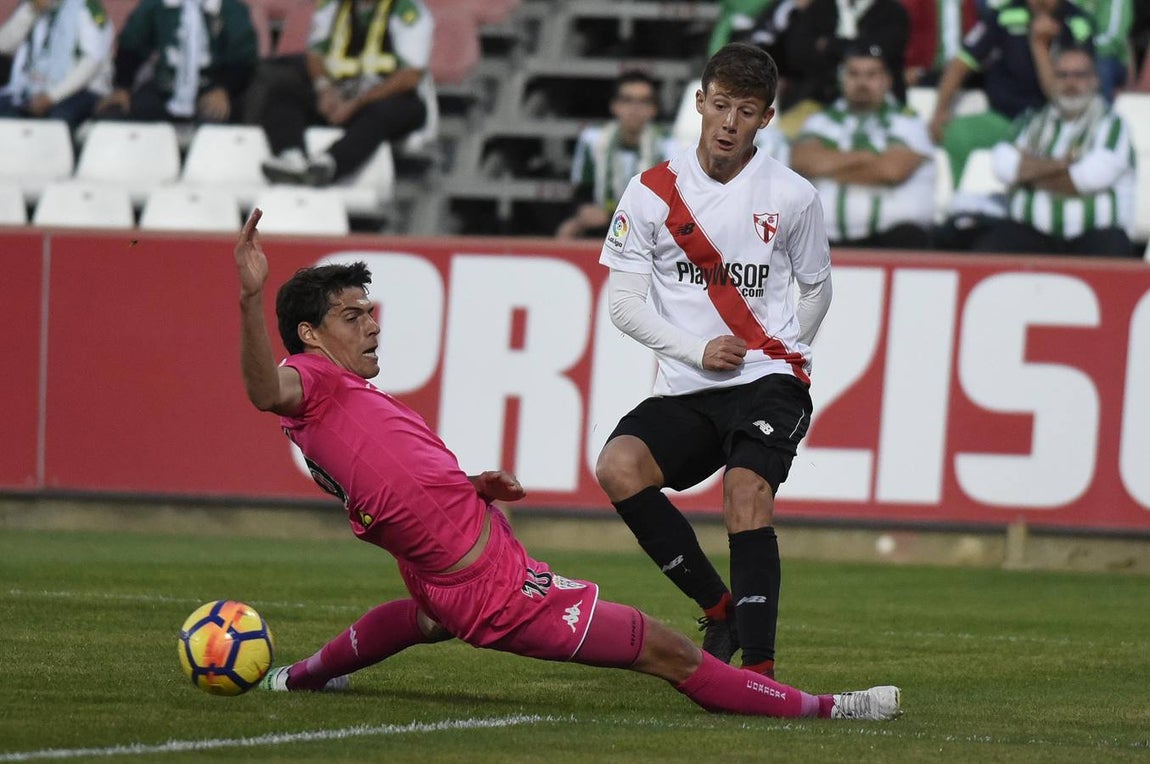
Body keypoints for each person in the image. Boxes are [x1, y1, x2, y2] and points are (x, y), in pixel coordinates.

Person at [231, 209, 902, 722]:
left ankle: (304, 676)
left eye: (370, 312)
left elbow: (387, 483)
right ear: (312, 338)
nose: (371, 326)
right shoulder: (308, 380)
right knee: (664, 651)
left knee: (427, 620)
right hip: (494, 592)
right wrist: (248, 302)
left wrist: (469, 489)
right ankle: (827, 710)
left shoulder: (342, 395)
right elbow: (265, 392)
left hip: (451, 570)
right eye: (352, 317)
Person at [594, 43, 833, 680]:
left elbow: (817, 286)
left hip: (768, 383)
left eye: (745, 110)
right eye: (720, 105)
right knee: (618, 467)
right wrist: (694, 350)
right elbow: (622, 305)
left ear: (767, 117)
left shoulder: (793, 196)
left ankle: (760, 668)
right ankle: (719, 607)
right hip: (689, 383)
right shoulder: (650, 193)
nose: (729, 122)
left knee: (745, 493)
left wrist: (785, 356)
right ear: (699, 104)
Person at [974, 44, 1135, 257]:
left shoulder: (1113, 126)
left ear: (1095, 80)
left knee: (1112, 246)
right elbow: (1003, 167)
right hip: (1031, 233)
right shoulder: (1029, 121)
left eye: (1079, 75)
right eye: (1062, 75)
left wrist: (1027, 172)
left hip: (1094, 236)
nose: (1070, 83)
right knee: (993, 244)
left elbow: (1084, 179)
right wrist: (1062, 164)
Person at [255, 0, 433, 187]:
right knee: (283, 92)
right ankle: (290, 155)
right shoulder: (332, 6)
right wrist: (324, 89)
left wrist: (356, 103)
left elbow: (411, 76)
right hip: (338, 92)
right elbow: (315, 54)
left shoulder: (408, 11)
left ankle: (329, 164)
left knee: (384, 112)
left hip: (385, 97)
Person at [927, 0, 1093, 185]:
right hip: (1004, 118)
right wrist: (940, 110)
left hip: (1050, 123)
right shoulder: (1005, 15)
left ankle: (1035, 204)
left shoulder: (1078, 23)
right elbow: (962, 62)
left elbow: (1058, 96)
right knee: (955, 133)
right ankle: (958, 204)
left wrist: (1039, 45)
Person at [790, 42, 936, 249]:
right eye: (854, 74)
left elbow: (891, 171)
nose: (862, 83)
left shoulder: (909, 121)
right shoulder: (821, 119)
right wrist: (867, 158)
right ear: (842, 79)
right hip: (824, 240)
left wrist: (830, 164)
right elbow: (802, 160)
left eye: (871, 75)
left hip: (891, 238)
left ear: (887, 80)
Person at [759, 0, 910, 136]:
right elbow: (797, 54)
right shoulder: (819, 8)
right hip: (817, 103)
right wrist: (853, 46)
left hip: (879, 106)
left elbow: (882, 51)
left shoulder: (892, 11)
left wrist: (829, 45)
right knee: (780, 138)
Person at [94, 0, 258, 123]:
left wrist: (224, 90)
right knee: (119, 115)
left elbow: (243, 58)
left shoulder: (230, 9)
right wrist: (123, 87)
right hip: (165, 86)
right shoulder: (157, 5)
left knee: (214, 119)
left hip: (212, 87)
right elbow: (131, 45)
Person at [556, 70, 671, 240]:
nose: (634, 109)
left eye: (643, 102)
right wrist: (583, 210)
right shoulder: (593, 139)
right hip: (603, 225)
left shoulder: (669, 145)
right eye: (627, 100)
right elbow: (582, 191)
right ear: (614, 106)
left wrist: (611, 217)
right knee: (567, 230)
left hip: (650, 230)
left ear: (653, 109)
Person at [0, 0, 114, 128]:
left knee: (58, 118)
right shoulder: (31, 6)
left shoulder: (87, 7)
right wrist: (30, 11)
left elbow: (92, 62)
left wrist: (52, 97)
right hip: (31, 87)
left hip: (82, 91)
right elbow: (4, 46)